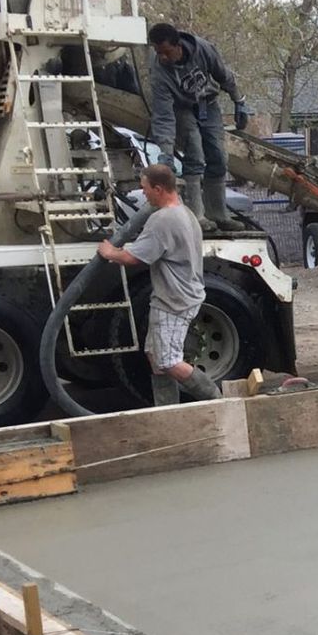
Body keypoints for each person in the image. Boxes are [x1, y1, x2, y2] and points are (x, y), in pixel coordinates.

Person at [96, 163, 220, 405]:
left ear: (158, 189)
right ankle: (168, 412)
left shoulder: (163, 219)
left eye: (145, 188)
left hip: (174, 301)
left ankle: (216, 399)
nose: (143, 193)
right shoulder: (185, 213)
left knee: (168, 361)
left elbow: (134, 258)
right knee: (155, 356)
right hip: (176, 296)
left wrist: (110, 252)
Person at [146, 22, 249, 230]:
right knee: (195, 155)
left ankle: (218, 214)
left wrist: (239, 101)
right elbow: (163, 116)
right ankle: (197, 217)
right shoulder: (159, 72)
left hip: (207, 103)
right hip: (181, 108)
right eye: (158, 52)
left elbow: (223, 75)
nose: (162, 57)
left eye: (166, 52)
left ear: (178, 46)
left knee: (218, 157)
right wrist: (166, 153)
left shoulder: (203, 49)